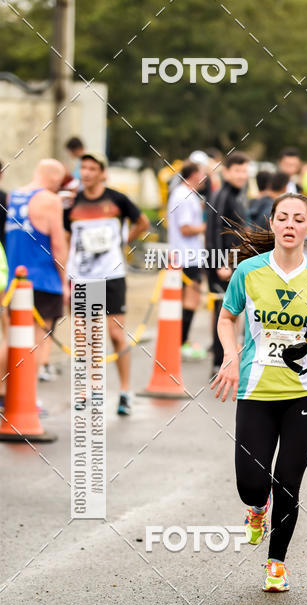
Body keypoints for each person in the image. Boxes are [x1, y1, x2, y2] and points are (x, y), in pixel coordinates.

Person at [211, 193, 307, 591]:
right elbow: (226, 317)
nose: (290, 224)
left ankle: (276, 564)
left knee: (288, 479)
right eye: (283, 217)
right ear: (272, 224)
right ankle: (257, 508)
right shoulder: (249, 272)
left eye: (298, 218)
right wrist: (231, 356)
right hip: (256, 389)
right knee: (251, 484)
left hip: (306, 393)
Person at [65, 152, 150, 415]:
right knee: (85, 336)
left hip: (112, 275)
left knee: (115, 334)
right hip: (83, 276)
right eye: (84, 168)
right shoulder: (72, 203)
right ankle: (86, 389)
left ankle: (125, 390)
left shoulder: (117, 199)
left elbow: (143, 222)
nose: (87, 173)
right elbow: (66, 237)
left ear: (103, 173)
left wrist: (122, 241)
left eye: (93, 168)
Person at [2, 159, 68, 383]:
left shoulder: (13, 197)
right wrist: (65, 281)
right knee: (37, 342)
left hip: (15, 282)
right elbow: (58, 245)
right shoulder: (51, 200)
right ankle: (27, 401)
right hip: (43, 280)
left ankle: (5, 394)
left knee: (13, 339)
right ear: (54, 178)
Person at [204, 151, 250, 370]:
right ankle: (219, 361)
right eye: (237, 170)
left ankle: (229, 357)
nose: (242, 175)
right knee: (224, 313)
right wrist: (221, 262)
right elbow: (213, 230)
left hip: (235, 262)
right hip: (223, 263)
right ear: (226, 171)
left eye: (245, 170)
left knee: (235, 311)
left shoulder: (237, 193)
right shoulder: (222, 194)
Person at [167, 161, 207, 360]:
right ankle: (179, 342)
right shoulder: (183, 195)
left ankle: (180, 341)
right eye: (202, 173)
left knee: (191, 299)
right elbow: (185, 228)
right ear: (194, 175)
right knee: (190, 299)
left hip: (188, 255)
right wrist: (208, 227)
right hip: (186, 256)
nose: (204, 178)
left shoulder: (186, 194)